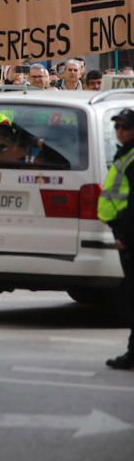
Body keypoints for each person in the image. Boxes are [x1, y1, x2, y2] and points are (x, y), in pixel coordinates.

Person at [97, 108, 134, 370]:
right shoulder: (126, 154)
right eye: (117, 127)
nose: (120, 132)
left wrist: (125, 236)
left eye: (125, 127)